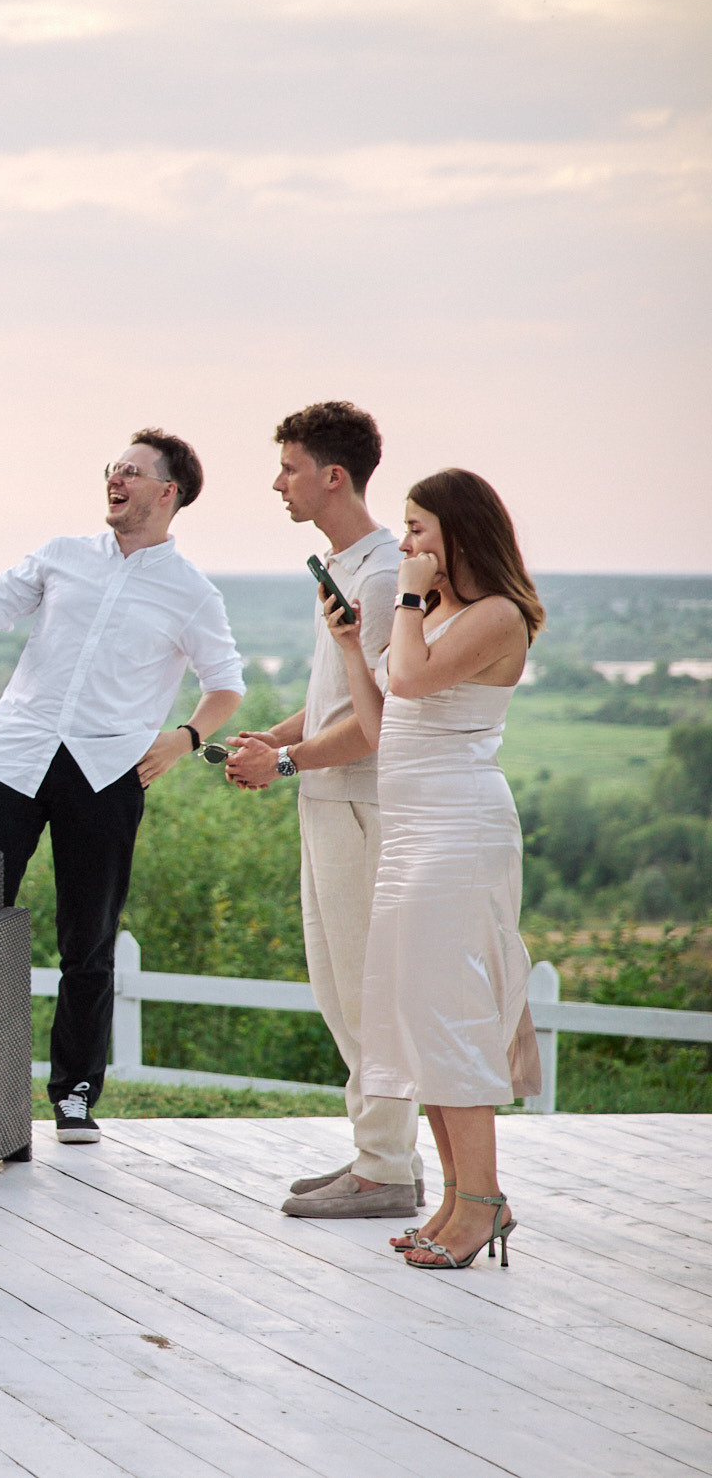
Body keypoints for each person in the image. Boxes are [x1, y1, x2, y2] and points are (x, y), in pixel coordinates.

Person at [0, 430, 245, 1143]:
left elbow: (226, 685)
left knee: (88, 938)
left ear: (168, 492)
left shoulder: (192, 593)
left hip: (108, 774)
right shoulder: (61, 554)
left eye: (132, 472)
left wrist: (182, 740)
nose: (115, 478)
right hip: (13, 757)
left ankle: (76, 1092)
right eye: (114, 467)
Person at [322, 469, 543, 1271]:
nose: (406, 542)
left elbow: (414, 678)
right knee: (418, 1016)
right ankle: (459, 1198)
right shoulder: (438, 612)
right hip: (413, 831)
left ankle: (482, 1202)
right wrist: (354, 649)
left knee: (451, 1017)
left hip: (459, 829)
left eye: (418, 528)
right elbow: (386, 722)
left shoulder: (496, 615)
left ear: (460, 530)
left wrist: (408, 599)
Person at [222, 404, 421, 1220]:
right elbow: (340, 695)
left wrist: (285, 762)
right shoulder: (346, 566)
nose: (278, 484)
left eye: (290, 468)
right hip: (328, 802)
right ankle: (382, 1157)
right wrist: (273, 739)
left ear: (333, 476)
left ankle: (385, 1171)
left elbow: (379, 721)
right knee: (340, 992)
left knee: (368, 995)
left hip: (360, 807)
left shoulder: (378, 577)